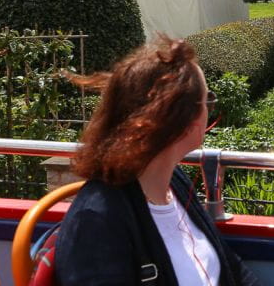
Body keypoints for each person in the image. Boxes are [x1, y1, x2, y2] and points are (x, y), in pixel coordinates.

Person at [55, 37, 258, 286]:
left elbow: (233, 270)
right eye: (207, 100)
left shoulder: (174, 183)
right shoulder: (96, 222)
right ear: (182, 119)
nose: (209, 110)